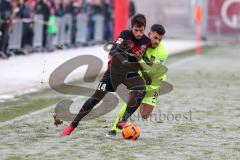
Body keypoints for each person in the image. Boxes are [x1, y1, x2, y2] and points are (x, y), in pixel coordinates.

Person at [60, 13, 152, 136]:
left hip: (129, 73)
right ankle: (72, 125)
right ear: (132, 27)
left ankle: (122, 121)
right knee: (95, 99)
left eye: (141, 30)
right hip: (113, 72)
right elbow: (113, 49)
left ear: (144, 28)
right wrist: (125, 54)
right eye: (136, 30)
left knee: (141, 89)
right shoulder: (125, 35)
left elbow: (144, 59)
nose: (139, 33)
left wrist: (144, 68)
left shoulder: (146, 41)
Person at [108, 24, 168, 135]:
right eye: (155, 38)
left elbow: (151, 71)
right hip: (141, 78)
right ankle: (114, 128)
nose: (157, 41)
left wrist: (140, 60)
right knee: (132, 101)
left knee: (144, 115)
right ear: (149, 34)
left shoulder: (163, 52)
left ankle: (140, 101)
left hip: (154, 81)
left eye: (160, 39)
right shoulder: (141, 44)